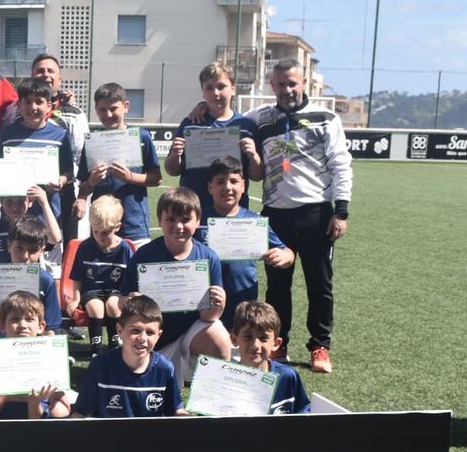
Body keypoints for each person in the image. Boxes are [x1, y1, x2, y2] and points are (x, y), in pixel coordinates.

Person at [244, 59, 352, 374]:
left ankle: (320, 345)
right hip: (276, 215)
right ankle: (279, 344)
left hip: (316, 213)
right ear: (272, 86)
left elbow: (340, 163)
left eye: (292, 83)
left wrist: (341, 211)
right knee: (277, 287)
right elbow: (229, 118)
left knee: (319, 285)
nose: (287, 90)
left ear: (303, 82)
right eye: (280, 84)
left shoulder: (326, 118)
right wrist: (201, 107)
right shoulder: (261, 117)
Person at [118, 187, 232, 379]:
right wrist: (130, 301)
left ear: (198, 221)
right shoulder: (144, 255)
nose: (178, 226)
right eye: (171, 219)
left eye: (185, 219)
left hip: (191, 332)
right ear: (160, 221)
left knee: (219, 338)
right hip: (154, 336)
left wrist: (218, 306)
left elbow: (207, 316)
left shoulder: (208, 257)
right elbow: (121, 301)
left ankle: (213, 392)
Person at [203, 157, 296, 332]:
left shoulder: (254, 222)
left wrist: (285, 256)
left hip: (244, 304)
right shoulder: (198, 221)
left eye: (233, 181)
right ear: (210, 187)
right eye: (220, 182)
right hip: (207, 306)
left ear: (243, 186)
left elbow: (288, 253)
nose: (227, 187)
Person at [168, 62, 258, 220]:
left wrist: (253, 155)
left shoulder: (246, 125)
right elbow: (172, 170)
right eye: (209, 88)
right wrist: (176, 154)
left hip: (233, 212)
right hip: (193, 210)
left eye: (221, 86)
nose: (216, 93)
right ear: (203, 92)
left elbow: (257, 176)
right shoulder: (191, 123)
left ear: (233, 88)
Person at [75, 81, 160, 242]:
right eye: (102, 110)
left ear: (125, 106)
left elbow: (156, 178)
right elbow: (83, 188)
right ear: (96, 110)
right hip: (102, 226)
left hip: (134, 225)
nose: (108, 114)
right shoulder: (92, 142)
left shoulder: (141, 137)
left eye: (113, 108)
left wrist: (130, 177)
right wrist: (90, 184)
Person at [74, 295, 184, 418]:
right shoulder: (100, 365)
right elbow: (81, 412)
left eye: (150, 333)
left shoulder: (165, 368)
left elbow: (175, 410)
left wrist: (190, 419)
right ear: (119, 330)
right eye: (135, 331)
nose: (142, 338)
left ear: (158, 335)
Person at [0, 216, 62, 355]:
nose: (25, 256)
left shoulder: (45, 280)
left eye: (33, 250)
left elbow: (52, 327)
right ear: (8, 246)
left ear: (42, 250)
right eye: (19, 248)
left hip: (32, 342)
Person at [0, 76, 74, 236]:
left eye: (39, 102)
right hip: (14, 214)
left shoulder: (59, 135)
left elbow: (68, 171)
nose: (33, 107)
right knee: (16, 250)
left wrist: (61, 181)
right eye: (28, 102)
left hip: (48, 214)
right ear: (19, 105)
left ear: (49, 106)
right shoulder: (8, 133)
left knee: (48, 251)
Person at [0, 291, 71, 420]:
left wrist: (39, 401)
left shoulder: (50, 353)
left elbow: (62, 401)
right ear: (2, 326)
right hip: (5, 409)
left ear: (41, 327)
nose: (22, 325)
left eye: (29, 319)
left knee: (60, 409)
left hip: (40, 406)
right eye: (15, 319)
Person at [68, 196, 137, 354]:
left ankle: (115, 348)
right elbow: (77, 277)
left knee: (113, 305)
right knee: (96, 307)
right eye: (96, 231)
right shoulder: (85, 247)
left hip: (116, 290)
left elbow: (133, 277)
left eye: (105, 232)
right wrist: (76, 299)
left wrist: (129, 296)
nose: (100, 236)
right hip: (91, 290)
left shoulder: (125, 249)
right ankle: (97, 351)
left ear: (117, 227)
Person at [32, 52, 87, 230]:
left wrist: (81, 195)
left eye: (51, 71)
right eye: (40, 71)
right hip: (27, 190)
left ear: (59, 79)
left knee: (65, 241)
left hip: (65, 189)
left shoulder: (74, 113)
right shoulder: (21, 110)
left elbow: (81, 156)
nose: (46, 75)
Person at [230, 300, 311, 414]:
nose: (255, 345)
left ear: (276, 344)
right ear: (234, 339)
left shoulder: (287, 376)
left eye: (263, 338)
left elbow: (304, 410)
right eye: (248, 336)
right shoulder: (225, 379)